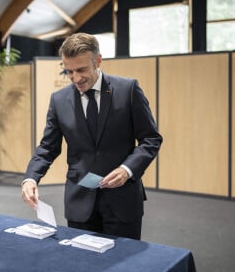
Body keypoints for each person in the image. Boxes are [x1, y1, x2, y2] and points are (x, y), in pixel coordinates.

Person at [21, 33, 162, 240]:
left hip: (122, 201)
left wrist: (127, 169)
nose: (76, 78)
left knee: (124, 268)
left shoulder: (128, 90)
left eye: (81, 70)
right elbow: (47, 148)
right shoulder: (59, 100)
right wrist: (30, 178)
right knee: (82, 265)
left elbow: (151, 139)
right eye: (69, 71)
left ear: (98, 61)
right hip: (80, 203)